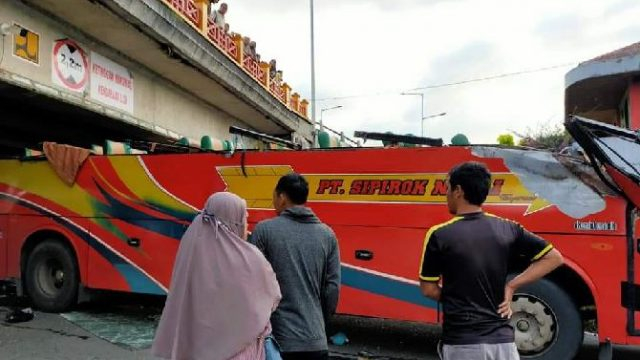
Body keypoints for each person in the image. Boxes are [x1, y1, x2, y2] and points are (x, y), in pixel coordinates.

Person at [419, 162, 563, 360]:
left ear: (458, 191)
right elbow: (554, 258)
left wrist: (458, 298)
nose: (446, 195)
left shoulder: (440, 235)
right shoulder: (509, 228)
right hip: (505, 345)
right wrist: (511, 286)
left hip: (463, 344)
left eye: (447, 188)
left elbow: (429, 289)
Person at [153, 192, 282, 360]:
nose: (247, 227)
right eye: (243, 219)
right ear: (233, 221)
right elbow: (271, 299)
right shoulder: (249, 259)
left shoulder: (192, 252)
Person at [251, 174, 341, 360]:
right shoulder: (328, 235)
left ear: (282, 197)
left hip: (278, 343)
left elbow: (254, 286)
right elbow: (332, 290)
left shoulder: (264, 231)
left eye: (274, 196)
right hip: (316, 342)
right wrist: (318, 322)